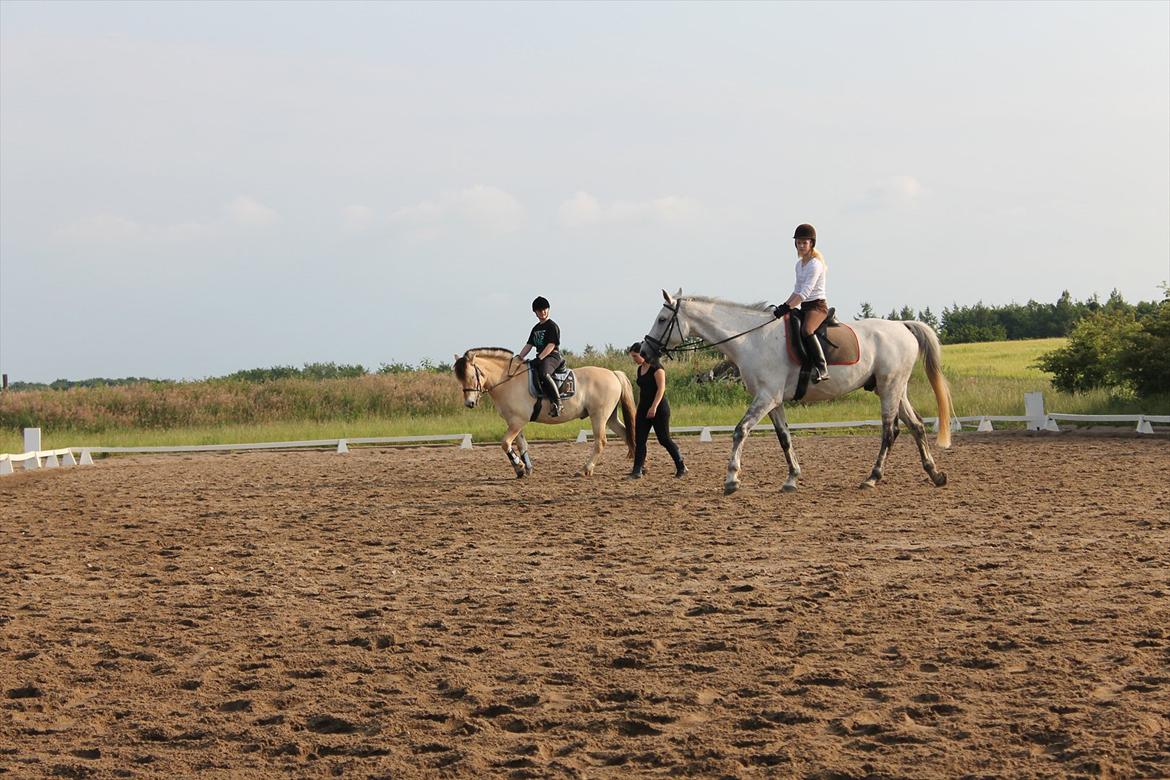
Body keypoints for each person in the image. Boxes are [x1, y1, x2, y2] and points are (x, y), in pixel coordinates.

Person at [773, 223, 830, 383]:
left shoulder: (815, 264)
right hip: (804, 306)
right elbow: (797, 290)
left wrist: (789, 306)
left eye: (804, 242)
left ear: (811, 243)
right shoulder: (799, 265)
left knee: (807, 330)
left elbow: (805, 292)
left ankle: (822, 367)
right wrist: (783, 306)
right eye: (799, 242)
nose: (801, 245)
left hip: (817, 307)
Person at [626, 342, 686, 479]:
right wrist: (640, 409)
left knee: (664, 439)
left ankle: (681, 466)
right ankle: (637, 470)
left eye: (635, 356)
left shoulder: (657, 368)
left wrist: (653, 407)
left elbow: (661, 389)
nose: (634, 359)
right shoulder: (640, 369)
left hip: (659, 409)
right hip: (643, 409)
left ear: (643, 354)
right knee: (640, 440)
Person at [516, 296, 563, 417]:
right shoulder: (536, 328)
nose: (542, 312)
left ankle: (558, 402)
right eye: (539, 310)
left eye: (544, 309)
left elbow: (551, 345)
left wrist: (539, 358)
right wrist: (519, 357)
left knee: (544, 374)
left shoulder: (552, 326)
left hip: (553, 356)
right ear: (535, 313)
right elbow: (529, 345)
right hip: (541, 357)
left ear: (548, 309)